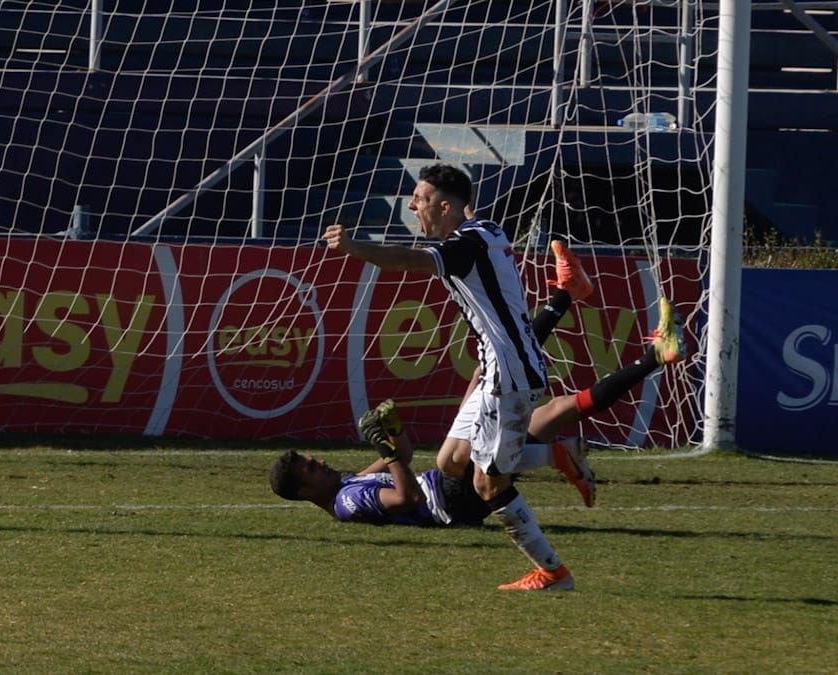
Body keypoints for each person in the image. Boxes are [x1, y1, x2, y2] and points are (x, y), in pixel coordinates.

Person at [319, 163, 682, 591]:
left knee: (488, 485)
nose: (414, 206)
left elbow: (408, 260)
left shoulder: (462, 245)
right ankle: (558, 452)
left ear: (446, 205)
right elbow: (460, 238)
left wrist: (355, 247)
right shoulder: (485, 230)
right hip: (503, 364)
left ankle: (552, 571)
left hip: (507, 375)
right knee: (449, 461)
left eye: (420, 198)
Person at [268, 293, 688, 565]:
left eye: (311, 459)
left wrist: (392, 433)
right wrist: (392, 456)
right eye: (310, 468)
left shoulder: (347, 484)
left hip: (457, 489)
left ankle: (655, 356)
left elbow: (403, 456)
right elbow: (408, 494)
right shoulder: (347, 505)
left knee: (553, 408)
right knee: (476, 404)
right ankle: (552, 452)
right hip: (453, 497)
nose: (319, 461)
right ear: (306, 493)